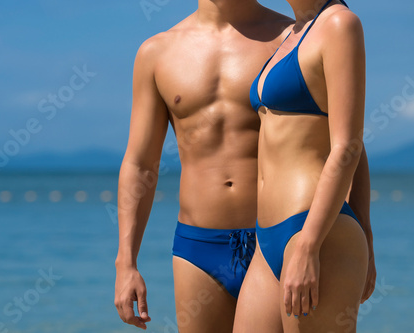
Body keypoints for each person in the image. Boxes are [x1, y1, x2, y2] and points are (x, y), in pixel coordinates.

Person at [115, 0, 375, 332]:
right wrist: (126, 262)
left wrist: (364, 234)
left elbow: (344, 140)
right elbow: (140, 164)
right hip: (199, 246)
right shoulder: (157, 52)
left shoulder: (292, 34)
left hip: (286, 229)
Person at [233, 0, 373, 332]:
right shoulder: (293, 33)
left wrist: (311, 244)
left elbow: (348, 146)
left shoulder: (340, 24)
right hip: (267, 238)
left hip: (316, 231)